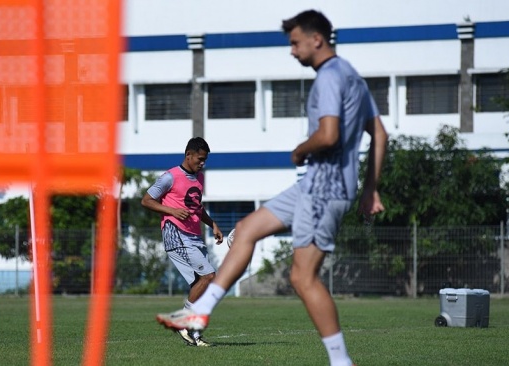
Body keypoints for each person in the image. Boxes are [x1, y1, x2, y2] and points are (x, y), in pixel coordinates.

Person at [156, 9, 388, 366]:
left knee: (302, 277)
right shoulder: (352, 76)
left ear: (317, 39)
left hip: (324, 190)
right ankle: (198, 313)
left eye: (295, 43)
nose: (292, 51)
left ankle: (341, 361)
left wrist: (300, 149)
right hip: (317, 186)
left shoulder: (329, 77)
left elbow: (328, 135)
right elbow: (380, 135)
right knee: (245, 230)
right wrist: (370, 188)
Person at [141, 137, 224, 347]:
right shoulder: (170, 177)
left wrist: (212, 223)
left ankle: (193, 335)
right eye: (200, 159)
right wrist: (171, 210)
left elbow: (197, 207)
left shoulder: (199, 178)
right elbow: (146, 200)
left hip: (194, 235)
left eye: (205, 160)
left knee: (202, 284)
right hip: (175, 233)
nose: (202, 163)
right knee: (208, 276)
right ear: (189, 155)